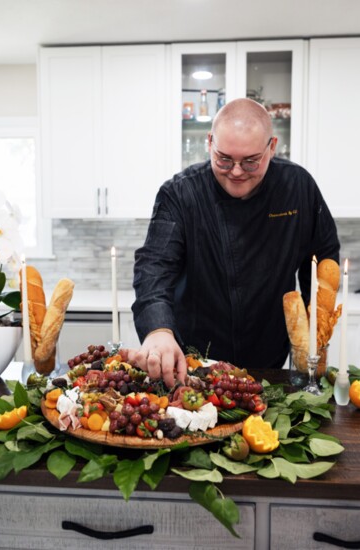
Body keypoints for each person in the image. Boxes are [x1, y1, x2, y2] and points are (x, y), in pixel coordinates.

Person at [129, 98, 340, 388]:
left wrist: (312, 332)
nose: (237, 171)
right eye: (224, 159)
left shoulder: (298, 187)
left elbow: (322, 261)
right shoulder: (180, 193)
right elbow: (154, 268)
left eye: (251, 161)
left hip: (269, 363)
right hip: (194, 365)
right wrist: (159, 329)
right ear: (209, 142)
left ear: (272, 146)